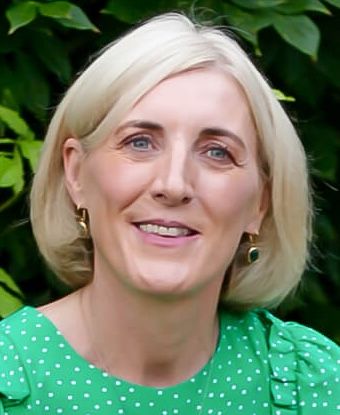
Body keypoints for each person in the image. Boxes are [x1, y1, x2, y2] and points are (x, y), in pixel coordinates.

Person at [0, 12, 339, 415]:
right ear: (76, 174)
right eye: (140, 142)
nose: (174, 184)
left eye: (217, 152)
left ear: (260, 204)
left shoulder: (314, 385)